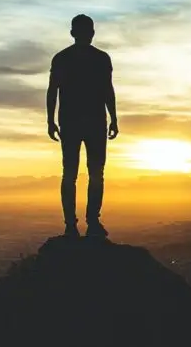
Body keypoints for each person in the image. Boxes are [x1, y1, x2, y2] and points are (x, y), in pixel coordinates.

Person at [46, 14, 119, 238]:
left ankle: (73, 225)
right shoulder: (100, 58)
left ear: (72, 33)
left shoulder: (62, 58)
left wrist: (50, 120)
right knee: (94, 173)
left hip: (72, 121)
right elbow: (108, 90)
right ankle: (90, 222)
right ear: (91, 33)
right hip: (93, 121)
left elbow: (52, 91)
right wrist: (113, 118)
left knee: (71, 174)